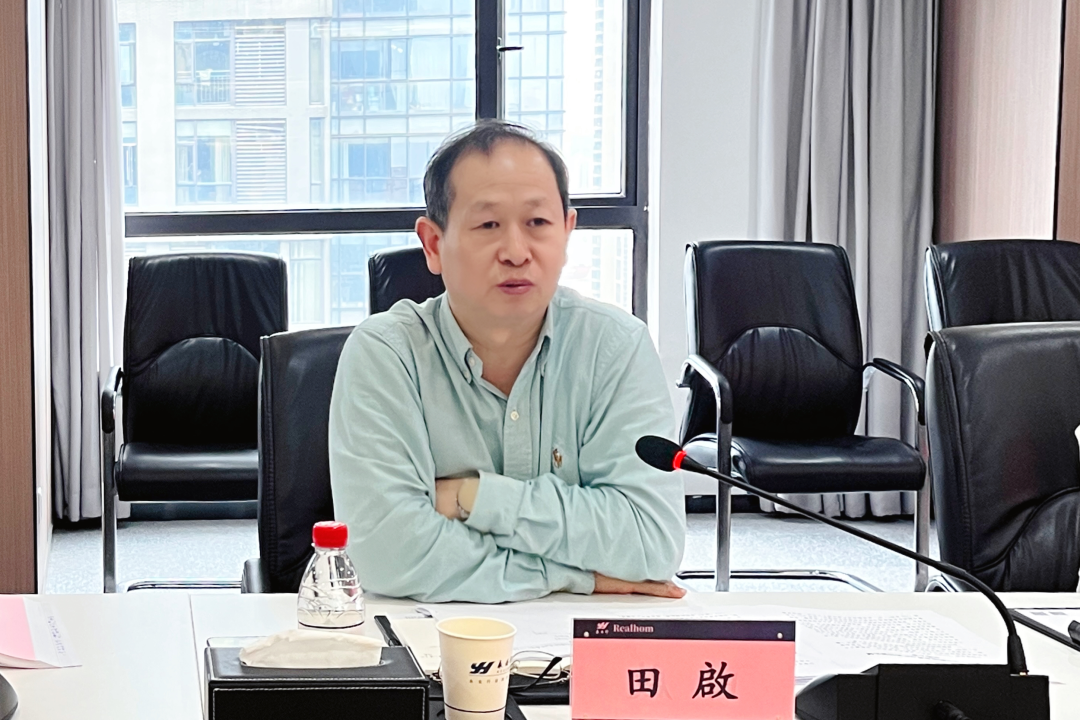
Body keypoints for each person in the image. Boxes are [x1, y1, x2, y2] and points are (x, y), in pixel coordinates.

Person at [329, 120, 686, 603]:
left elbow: (650, 541)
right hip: (429, 634)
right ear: (433, 244)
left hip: (576, 638)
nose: (517, 252)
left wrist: (471, 498)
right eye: (488, 225)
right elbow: (387, 554)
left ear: (567, 231)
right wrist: (577, 576)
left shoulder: (614, 347)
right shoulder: (388, 354)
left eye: (537, 223)